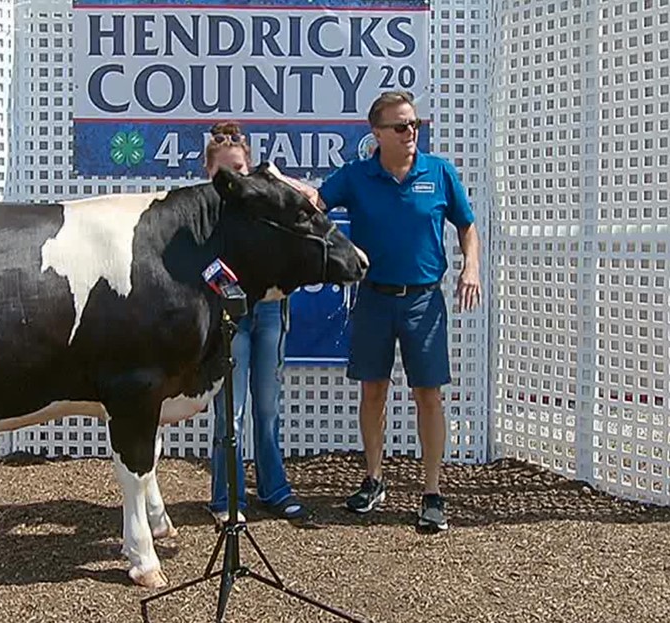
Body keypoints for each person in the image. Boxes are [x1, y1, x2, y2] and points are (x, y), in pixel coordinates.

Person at [303, 91, 482, 532]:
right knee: (373, 392)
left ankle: (432, 492)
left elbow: (466, 224)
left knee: (429, 395)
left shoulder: (439, 172)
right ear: (377, 133)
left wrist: (471, 267)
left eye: (415, 124)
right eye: (401, 127)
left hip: (424, 300)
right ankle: (373, 479)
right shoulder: (356, 176)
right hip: (374, 298)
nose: (411, 134)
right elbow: (316, 205)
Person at [203, 120, 309, 525]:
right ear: (209, 173)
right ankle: (226, 499)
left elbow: (310, 206)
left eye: (240, 171)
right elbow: (200, 263)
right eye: (223, 172)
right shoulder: (205, 210)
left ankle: (275, 490)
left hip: (269, 312)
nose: (233, 179)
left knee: (268, 407)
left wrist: (278, 177)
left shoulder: (266, 201)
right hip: (231, 318)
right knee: (231, 412)